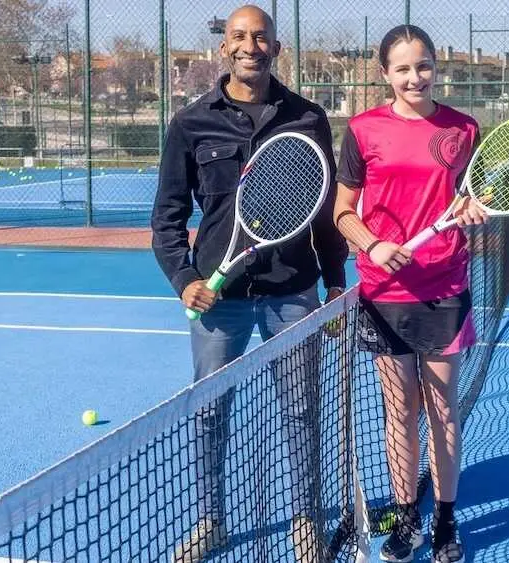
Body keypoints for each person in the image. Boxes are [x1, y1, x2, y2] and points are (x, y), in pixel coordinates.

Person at [150, 5, 348, 562]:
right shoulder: (190, 123)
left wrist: (335, 286)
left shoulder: (308, 119)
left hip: (294, 292)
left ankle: (307, 519)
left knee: (304, 410)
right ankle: (210, 520)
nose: (249, 46)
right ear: (224, 48)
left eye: (260, 37)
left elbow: (327, 214)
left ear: (276, 49)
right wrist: (184, 279)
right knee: (209, 411)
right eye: (239, 36)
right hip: (220, 301)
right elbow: (166, 217)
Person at [331, 24, 486, 563]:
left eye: (423, 66)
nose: (414, 77)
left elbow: (474, 200)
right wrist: (371, 245)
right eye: (402, 68)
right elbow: (342, 211)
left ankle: (445, 521)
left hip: (444, 286)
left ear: (436, 68)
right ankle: (407, 518)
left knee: (442, 410)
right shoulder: (362, 130)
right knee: (399, 412)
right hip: (383, 291)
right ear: (385, 74)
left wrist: (472, 211)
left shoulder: (464, 129)